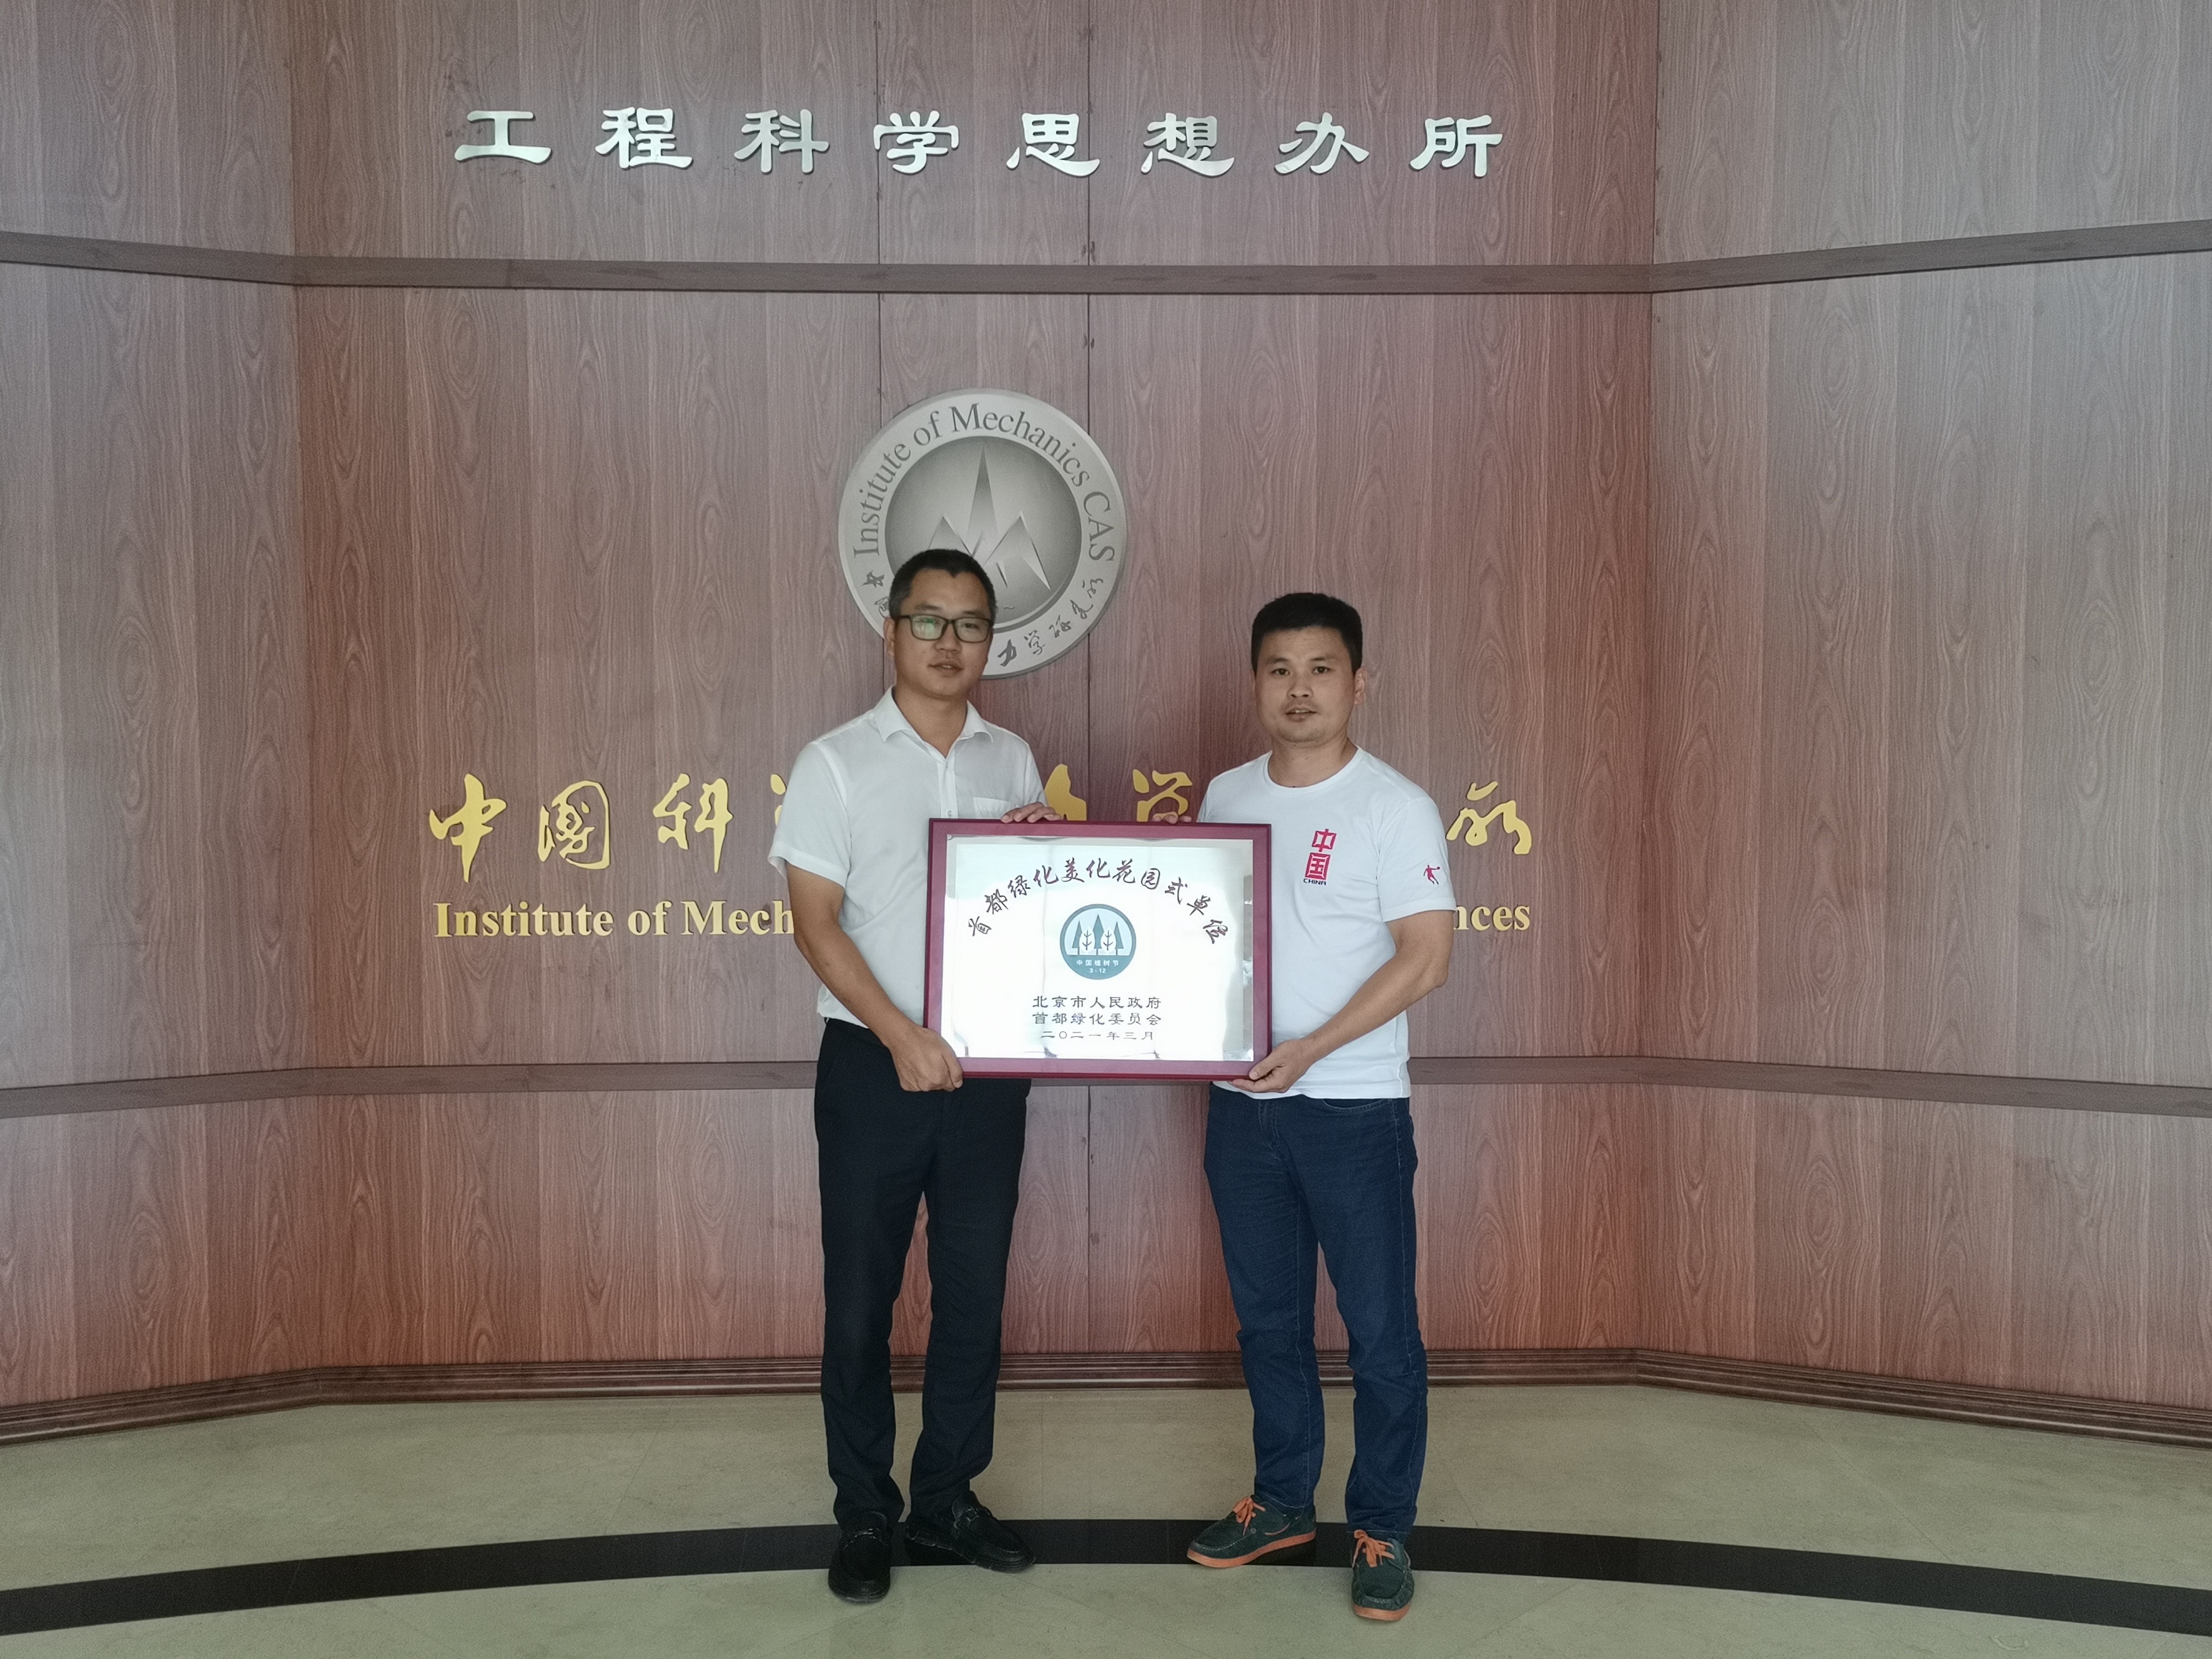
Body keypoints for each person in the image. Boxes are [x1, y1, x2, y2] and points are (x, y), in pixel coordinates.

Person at [769, 549, 1058, 1605]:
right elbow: (815, 923)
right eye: (928, 620)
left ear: (990, 642)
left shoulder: (1011, 759)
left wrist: (1044, 858)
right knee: (861, 1298)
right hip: (871, 1066)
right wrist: (898, 1035)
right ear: (889, 631)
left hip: (987, 1070)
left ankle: (945, 1498)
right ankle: (863, 1510)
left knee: (974, 1293)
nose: (948, 642)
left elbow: (1021, 912)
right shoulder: (835, 763)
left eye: (970, 624)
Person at [1179, 592, 1456, 1623]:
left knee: (1380, 1332)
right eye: (1279, 669)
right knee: (1268, 1320)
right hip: (1240, 1109)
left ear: (1359, 683)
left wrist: (1312, 1050)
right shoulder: (1225, 794)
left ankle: (1381, 1524)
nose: (1299, 690)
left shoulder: (1394, 806)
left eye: (1322, 669)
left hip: (1352, 1109)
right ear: (1255, 683)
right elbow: (1190, 931)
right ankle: (1284, 1500)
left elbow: (1426, 959)